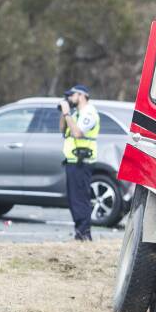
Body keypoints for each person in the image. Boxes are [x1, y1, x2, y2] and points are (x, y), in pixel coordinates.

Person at [59, 84, 100, 241]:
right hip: (72, 161)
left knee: (80, 198)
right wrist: (64, 114)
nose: (70, 98)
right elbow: (62, 130)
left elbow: (77, 133)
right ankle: (80, 232)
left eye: (72, 95)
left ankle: (84, 233)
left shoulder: (89, 113)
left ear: (81, 95)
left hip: (82, 161)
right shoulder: (77, 113)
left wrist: (67, 112)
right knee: (73, 198)